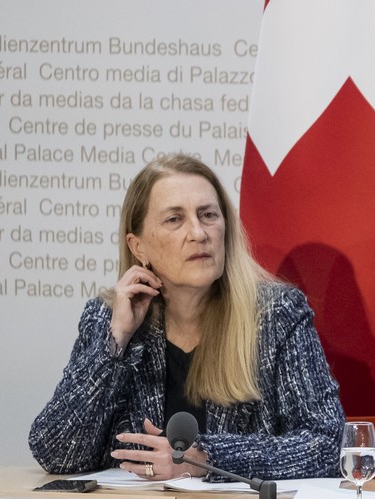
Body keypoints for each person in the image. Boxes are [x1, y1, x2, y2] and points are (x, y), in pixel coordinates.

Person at [29, 153, 344, 481]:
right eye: (174, 219)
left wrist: (204, 460)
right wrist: (116, 344)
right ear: (138, 247)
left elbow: (328, 445)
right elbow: (57, 453)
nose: (198, 233)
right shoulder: (107, 318)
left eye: (208, 215)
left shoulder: (275, 315)